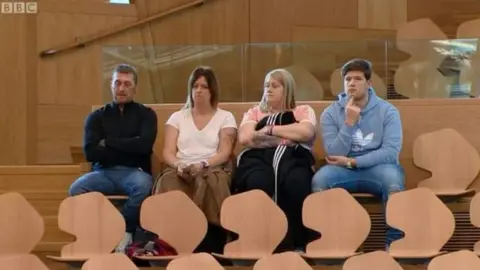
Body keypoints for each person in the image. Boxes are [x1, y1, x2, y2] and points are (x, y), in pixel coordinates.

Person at [311, 58, 405, 249]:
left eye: (357, 79)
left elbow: (390, 153)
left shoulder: (388, 111)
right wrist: (349, 122)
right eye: (347, 79)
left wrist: (353, 161)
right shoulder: (330, 113)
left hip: (378, 168)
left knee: (393, 179)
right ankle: (332, 240)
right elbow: (334, 153)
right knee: (319, 180)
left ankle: (394, 243)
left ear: (369, 84)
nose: (352, 83)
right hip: (342, 170)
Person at [69, 64, 157, 252]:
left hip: (135, 172)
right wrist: (129, 144)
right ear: (111, 85)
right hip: (103, 173)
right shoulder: (96, 117)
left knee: (144, 186)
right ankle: (100, 233)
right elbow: (90, 152)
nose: (122, 88)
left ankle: (124, 232)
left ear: (135, 88)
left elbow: (144, 146)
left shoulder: (146, 115)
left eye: (127, 84)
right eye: (117, 83)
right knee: (76, 189)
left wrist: (108, 142)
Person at [231, 68, 317, 252]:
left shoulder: (302, 111)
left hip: (293, 158)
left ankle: (297, 242)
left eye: (275, 86)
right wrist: (286, 138)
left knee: (296, 183)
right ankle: (259, 241)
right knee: (259, 182)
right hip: (258, 159)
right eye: (266, 85)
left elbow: (306, 133)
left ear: (287, 89)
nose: (268, 89)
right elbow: (246, 138)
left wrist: (269, 130)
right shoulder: (253, 112)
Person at [155, 66, 237, 254]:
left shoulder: (225, 117)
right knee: (167, 182)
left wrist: (203, 164)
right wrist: (179, 164)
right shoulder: (177, 117)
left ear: (212, 91)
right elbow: (168, 151)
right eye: (195, 86)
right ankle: (172, 242)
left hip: (212, 166)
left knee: (213, 183)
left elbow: (224, 153)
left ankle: (212, 242)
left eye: (204, 86)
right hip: (181, 166)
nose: (198, 90)